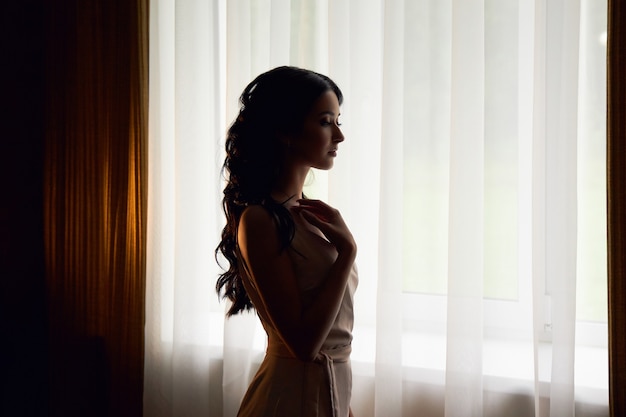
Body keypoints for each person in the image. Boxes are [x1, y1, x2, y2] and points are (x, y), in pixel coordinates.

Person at [216, 66, 358, 417]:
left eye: (339, 121)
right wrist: (347, 254)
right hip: (289, 402)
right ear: (285, 131)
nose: (339, 136)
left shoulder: (309, 216)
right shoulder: (260, 220)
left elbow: (333, 336)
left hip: (330, 398)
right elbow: (305, 345)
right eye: (326, 122)